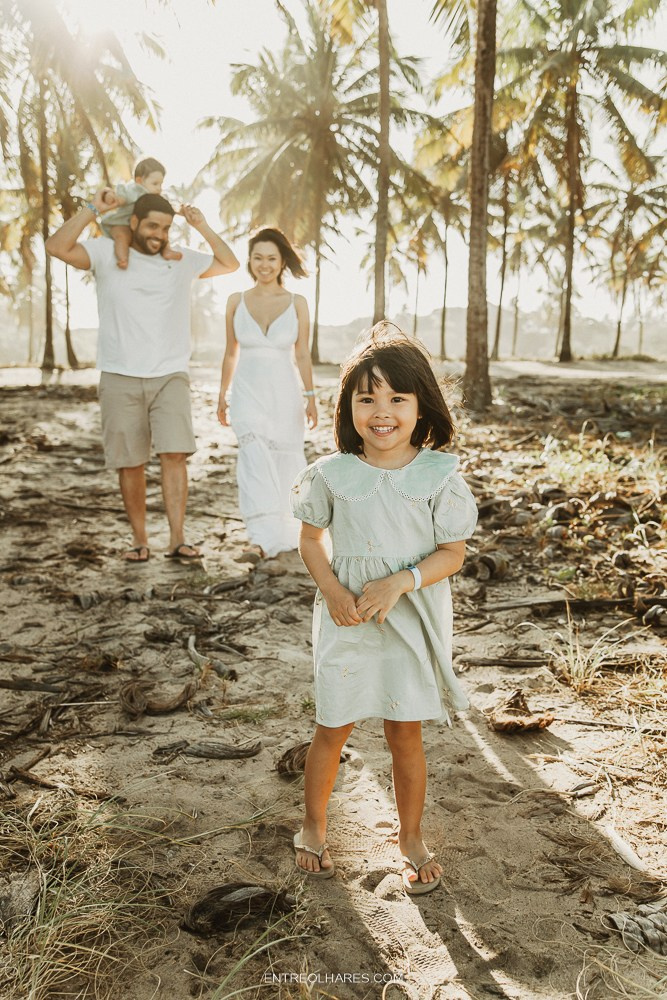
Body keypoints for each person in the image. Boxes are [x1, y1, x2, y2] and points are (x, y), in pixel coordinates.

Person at [289, 326, 478, 894]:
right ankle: (314, 824)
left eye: (397, 398)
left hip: (410, 619)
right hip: (348, 616)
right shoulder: (331, 473)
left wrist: (403, 580)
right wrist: (332, 591)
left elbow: (454, 553)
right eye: (366, 398)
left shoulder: (439, 475)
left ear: (421, 407)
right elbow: (310, 540)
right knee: (332, 725)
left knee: (405, 732)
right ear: (348, 407)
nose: (382, 412)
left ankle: (411, 835)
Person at [46, 187, 240, 563]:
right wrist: (92, 209)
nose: (159, 234)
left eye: (165, 228)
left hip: (170, 374)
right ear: (133, 222)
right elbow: (56, 246)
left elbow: (229, 263)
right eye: (152, 225)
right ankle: (139, 540)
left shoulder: (180, 259)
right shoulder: (105, 253)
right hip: (119, 375)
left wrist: (201, 225)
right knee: (130, 462)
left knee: (175, 455)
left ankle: (177, 538)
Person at [217, 227, 317, 559]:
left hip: (285, 393)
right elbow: (230, 353)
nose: (264, 264)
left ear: (282, 261)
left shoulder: (297, 303)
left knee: (287, 459)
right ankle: (259, 537)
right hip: (246, 391)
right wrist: (222, 395)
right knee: (253, 457)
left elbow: (302, 354)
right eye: (258, 257)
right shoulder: (236, 301)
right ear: (249, 261)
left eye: (271, 258)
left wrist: (311, 396)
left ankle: (289, 533)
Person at [100, 157, 181, 269]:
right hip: (121, 223)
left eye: (161, 184)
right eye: (155, 184)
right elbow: (121, 199)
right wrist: (112, 198)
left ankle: (167, 251)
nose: (159, 188)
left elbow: (167, 208)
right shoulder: (133, 191)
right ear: (139, 181)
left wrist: (180, 210)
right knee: (122, 237)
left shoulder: (156, 198)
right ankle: (122, 258)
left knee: (161, 234)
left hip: (140, 229)